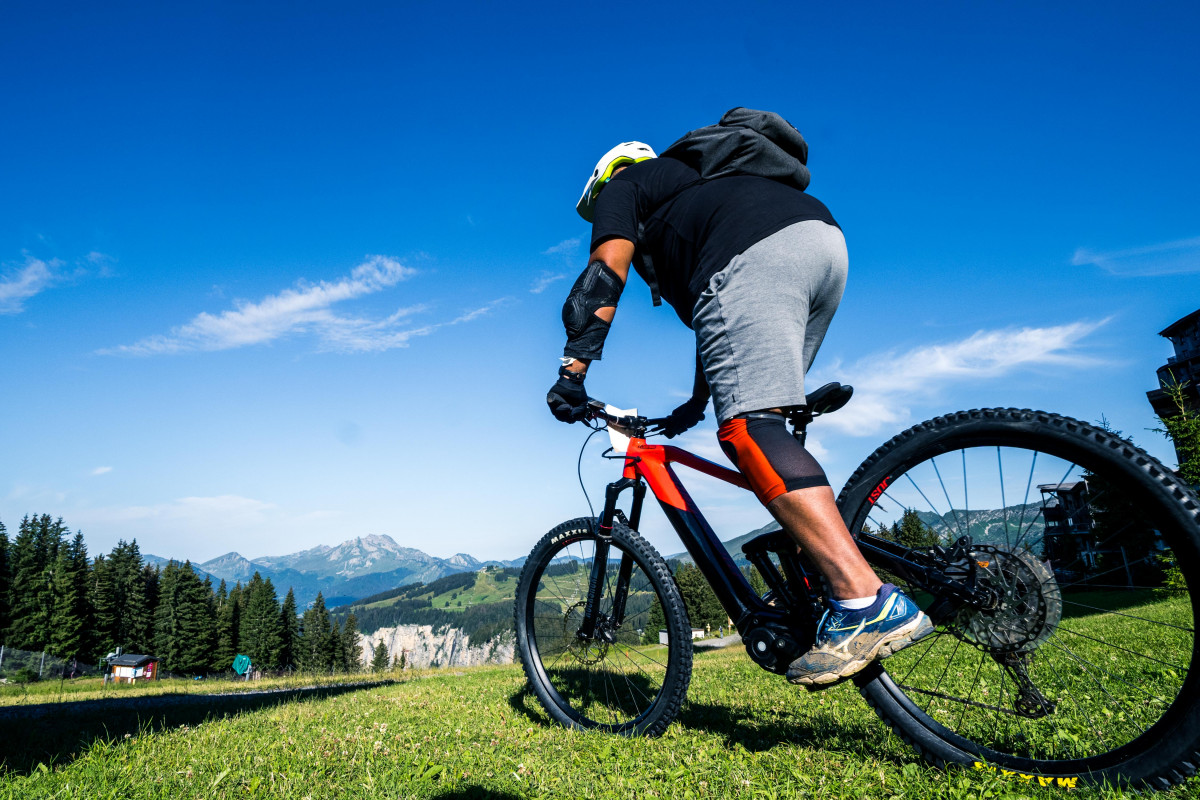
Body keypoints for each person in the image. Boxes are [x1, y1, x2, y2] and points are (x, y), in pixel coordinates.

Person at [545, 116, 932, 686]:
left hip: (757, 257)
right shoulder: (706, 188)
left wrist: (571, 372)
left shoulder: (626, 186)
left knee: (750, 430)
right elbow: (717, 324)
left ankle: (863, 599)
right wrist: (694, 405)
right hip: (822, 244)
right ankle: (822, 585)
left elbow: (603, 275)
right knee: (763, 420)